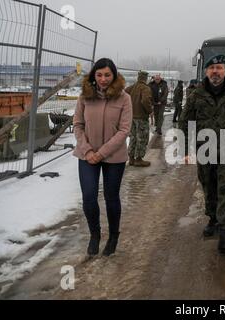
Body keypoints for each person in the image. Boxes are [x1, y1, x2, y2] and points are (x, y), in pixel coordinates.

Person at [179, 55, 225, 252]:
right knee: (209, 187)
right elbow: (185, 122)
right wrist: (185, 149)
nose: (215, 72)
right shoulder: (197, 94)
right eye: (211, 68)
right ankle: (213, 219)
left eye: (219, 68)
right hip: (204, 149)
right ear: (206, 72)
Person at [73, 58, 132, 256]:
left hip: (113, 156)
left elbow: (124, 130)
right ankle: (95, 235)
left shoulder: (124, 98)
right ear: (93, 76)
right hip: (87, 155)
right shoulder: (84, 97)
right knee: (89, 196)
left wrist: (101, 153)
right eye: (99, 75)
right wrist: (88, 151)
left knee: (111, 197)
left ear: (114, 75)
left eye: (107, 75)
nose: (103, 79)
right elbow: (78, 125)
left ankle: (113, 235)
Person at [125, 70, 153, 167]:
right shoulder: (145, 88)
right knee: (142, 138)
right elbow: (145, 100)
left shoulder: (131, 88)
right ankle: (139, 159)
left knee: (133, 137)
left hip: (131, 117)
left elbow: (122, 95)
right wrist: (150, 110)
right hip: (141, 117)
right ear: (145, 78)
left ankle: (131, 158)